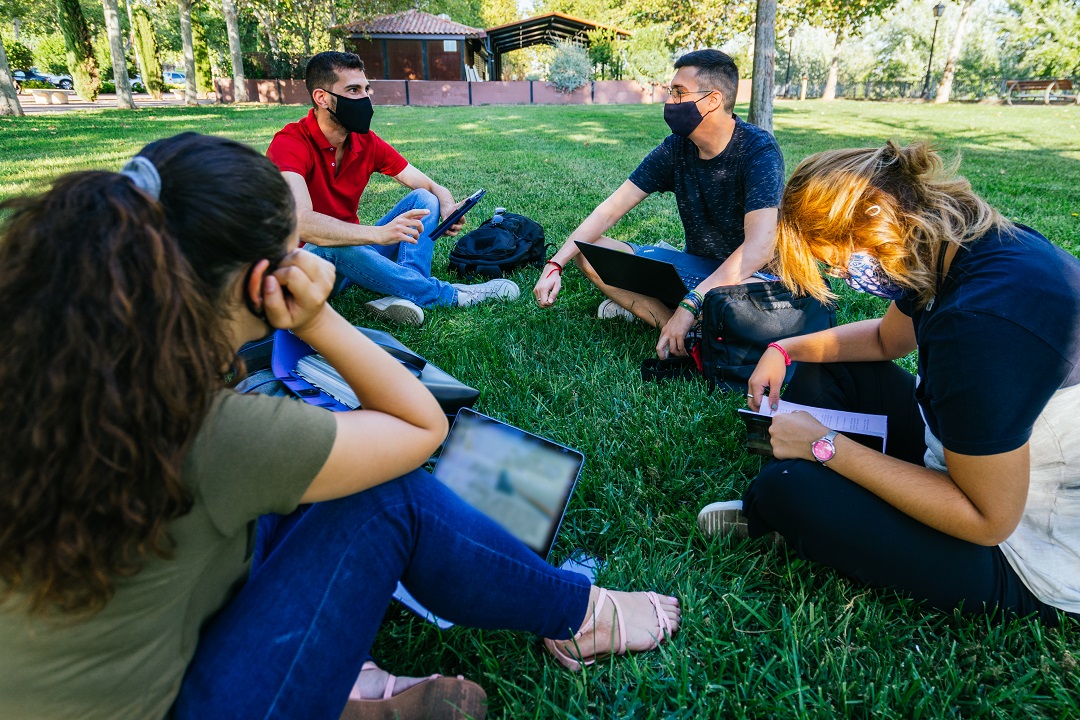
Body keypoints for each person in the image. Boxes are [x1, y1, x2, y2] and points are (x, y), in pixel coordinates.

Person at [0, 133, 682, 720]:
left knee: (298, 493)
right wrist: (318, 319)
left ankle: (339, 676)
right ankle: (580, 617)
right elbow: (418, 429)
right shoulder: (210, 430)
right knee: (382, 497)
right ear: (263, 280)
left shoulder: (47, 374)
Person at [697, 141, 1080, 624]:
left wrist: (825, 446)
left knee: (785, 489)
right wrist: (783, 349)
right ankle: (830, 507)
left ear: (876, 215)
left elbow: (988, 520)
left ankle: (799, 513)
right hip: (980, 460)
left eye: (835, 257)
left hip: (1035, 550)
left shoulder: (976, 326)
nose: (840, 273)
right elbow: (884, 339)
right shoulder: (959, 244)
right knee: (830, 367)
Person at [533, 49, 785, 360]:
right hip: (697, 272)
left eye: (679, 92)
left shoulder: (757, 150)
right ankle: (680, 333)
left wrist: (691, 302)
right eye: (671, 91)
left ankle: (685, 316)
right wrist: (555, 264)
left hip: (751, 280)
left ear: (712, 100)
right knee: (588, 252)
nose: (670, 102)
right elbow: (610, 209)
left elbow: (758, 248)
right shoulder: (675, 149)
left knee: (737, 310)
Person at [267, 51, 518, 327]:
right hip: (303, 271)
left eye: (366, 89)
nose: (365, 98)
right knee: (337, 244)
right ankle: (447, 295)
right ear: (322, 97)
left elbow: (427, 185)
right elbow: (301, 223)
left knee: (424, 198)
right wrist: (378, 234)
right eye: (353, 90)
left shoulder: (364, 142)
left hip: (353, 260)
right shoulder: (290, 143)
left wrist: (446, 204)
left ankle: (403, 295)